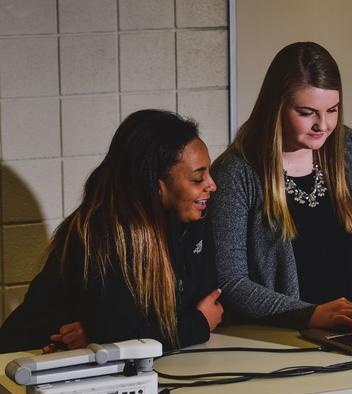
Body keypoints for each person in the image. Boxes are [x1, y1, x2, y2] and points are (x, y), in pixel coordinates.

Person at [210, 42, 352, 330]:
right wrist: (309, 314)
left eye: (332, 110)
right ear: (277, 107)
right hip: (284, 338)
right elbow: (231, 281)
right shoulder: (237, 172)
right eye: (307, 112)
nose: (323, 125)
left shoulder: (351, 148)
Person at [0, 109, 223, 353]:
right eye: (197, 179)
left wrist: (107, 333)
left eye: (208, 173)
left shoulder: (191, 220)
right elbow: (122, 334)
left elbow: (206, 301)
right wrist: (197, 324)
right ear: (155, 185)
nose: (212, 186)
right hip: (24, 362)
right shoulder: (102, 234)